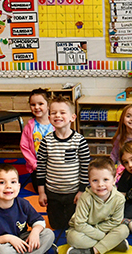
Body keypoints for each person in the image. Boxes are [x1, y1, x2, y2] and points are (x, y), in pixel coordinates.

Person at [37, 95, 90, 230]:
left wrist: (82, 191)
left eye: (62, 112)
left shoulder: (79, 141)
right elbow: (41, 168)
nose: (57, 116)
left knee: (75, 224)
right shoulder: (46, 142)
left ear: (72, 117)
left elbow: (85, 167)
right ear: (49, 118)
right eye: (53, 113)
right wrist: (42, 192)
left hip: (73, 192)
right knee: (56, 225)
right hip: (53, 192)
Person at [0, 164, 54, 254]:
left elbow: (40, 221)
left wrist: (35, 232)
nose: (8, 186)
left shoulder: (23, 204)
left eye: (13, 182)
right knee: (2, 251)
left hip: (21, 240)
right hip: (2, 247)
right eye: (2, 182)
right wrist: (8, 238)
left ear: (18, 187)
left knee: (48, 234)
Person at [66, 157, 130, 254]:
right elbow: (80, 224)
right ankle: (111, 244)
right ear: (89, 181)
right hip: (85, 230)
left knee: (124, 230)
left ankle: (93, 251)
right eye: (95, 180)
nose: (100, 184)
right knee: (73, 238)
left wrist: (99, 231)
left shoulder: (119, 198)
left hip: (104, 229)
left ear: (114, 180)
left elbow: (115, 222)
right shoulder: (85, 198)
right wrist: (103, 236)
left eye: (105, 179)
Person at [20, 88, 53, 192]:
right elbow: (24, 147)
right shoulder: (29, 126)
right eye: (33, 105)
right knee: (38, 189)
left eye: (40, 104)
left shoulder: (55, 124)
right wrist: (34, 164)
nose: (36, 107)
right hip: (37, 167)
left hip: (55, 165)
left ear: (48, 105)